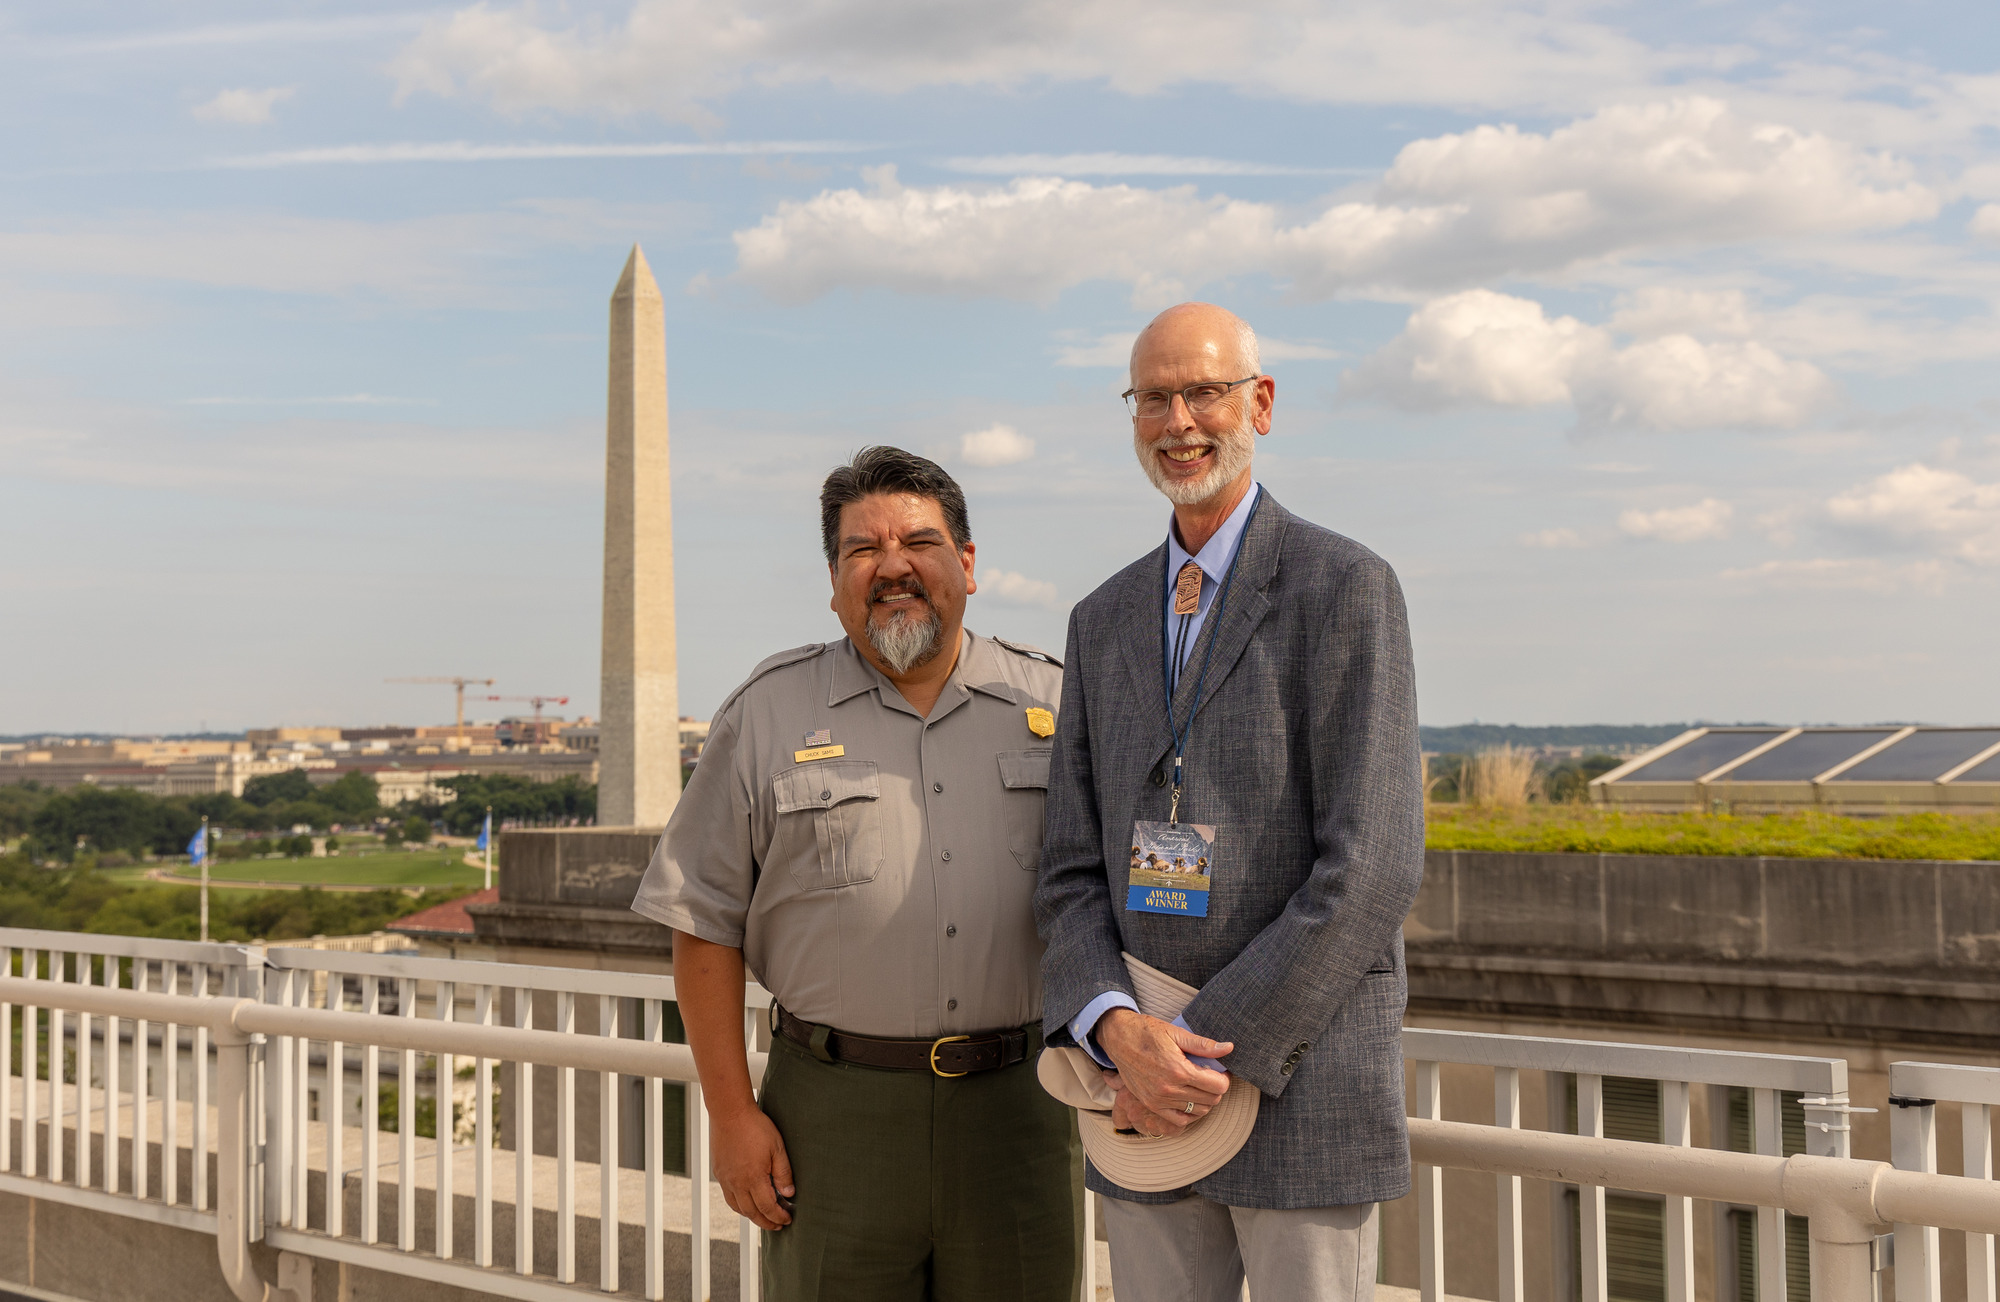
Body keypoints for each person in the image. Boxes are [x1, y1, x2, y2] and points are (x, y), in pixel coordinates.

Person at [1034, 303, 1424, 1301]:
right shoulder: (1102, 619)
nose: (1177, 422)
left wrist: (1196, 1048)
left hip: (1296, 1089)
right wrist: (1117, 1033)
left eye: (1200, 391)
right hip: (1138, 1103)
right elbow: (1068, 867)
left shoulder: (1343, 587)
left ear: (1259, 402)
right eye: (1152, 398)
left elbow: (1371, 866)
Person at [632, 446, 1082, 1302]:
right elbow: (701, 926)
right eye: (861, 551)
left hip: (1020, 1113)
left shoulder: (1059, 707)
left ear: (969, 564)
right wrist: (733, 1116)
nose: (893, 567)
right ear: (833, 580)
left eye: (919, 541)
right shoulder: (765, 714)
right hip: (831, 1121)